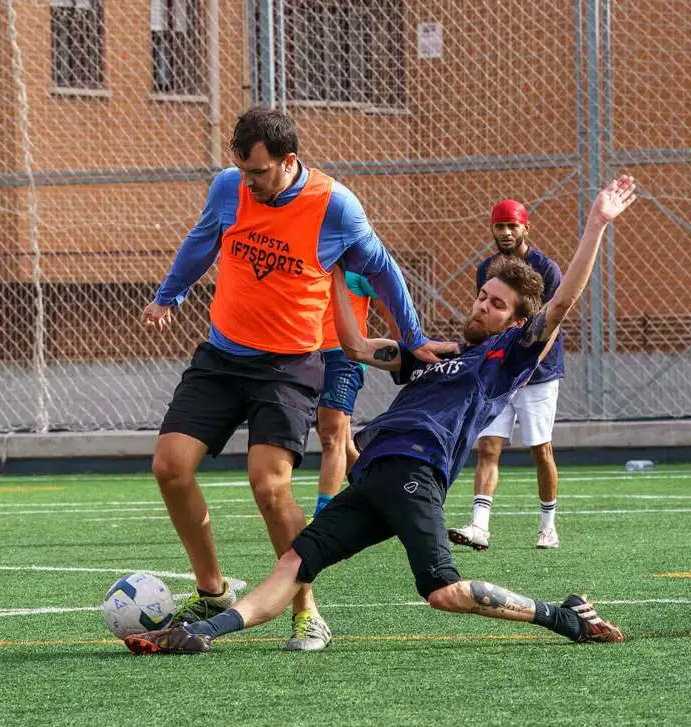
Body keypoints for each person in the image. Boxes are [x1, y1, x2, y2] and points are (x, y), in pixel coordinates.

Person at [124, 175, 635, 657]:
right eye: (482, 296)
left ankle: (566, 617)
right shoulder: (434, 353)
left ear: (518, 321)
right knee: (294, 563)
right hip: (372, 477)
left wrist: (595, 225)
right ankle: (200, 633)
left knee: (441, 590)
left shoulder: (508, 359)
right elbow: (353, 345)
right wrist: (336, 276)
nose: (482, 307)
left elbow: (564, 301)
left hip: (415, 473)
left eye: (497, 305)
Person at [141, 107, 441, 652]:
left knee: (269, 485)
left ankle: (306, 609)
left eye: (259, 173)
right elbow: (203, 239)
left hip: (288, 365)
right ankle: (212, 591)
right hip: (222, 355)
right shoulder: (230, 188)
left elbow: (383, 269)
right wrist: (170, 293)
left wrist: (414, 337)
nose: (248, 183)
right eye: (242, 171)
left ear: (289, 162)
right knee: (170, 466)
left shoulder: (335, 207)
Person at [449, 199, 566, 551]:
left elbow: (552, 323)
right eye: (499, 226)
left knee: (540, 449)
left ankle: (548, 526)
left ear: (525, 228)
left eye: (511, 226)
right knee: (488, 446)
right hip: (500, 371)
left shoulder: (546, 269)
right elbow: (489, 321)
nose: (505, 232)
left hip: (538, 373)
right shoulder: (487, 268)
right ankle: (480, 526)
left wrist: (529, 364)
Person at [314, 272, 377, 518]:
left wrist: (407, 352)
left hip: (343, 356)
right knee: (339, 437)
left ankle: (324, 514)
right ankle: (377, 494)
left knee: (331, 435)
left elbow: (391, 303)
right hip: (306, 353)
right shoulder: (308, 255)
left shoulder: (360, 262)